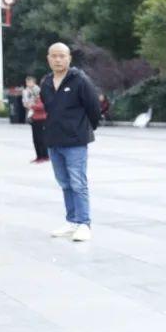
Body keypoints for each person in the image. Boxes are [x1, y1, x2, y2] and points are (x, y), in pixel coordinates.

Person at [40, 42, 101, 242]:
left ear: (69, 58)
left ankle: (84, 223)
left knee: (78, 183)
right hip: (54, 140)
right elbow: (49, 110)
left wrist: (83, 130)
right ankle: (72, 221)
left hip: (75, 142)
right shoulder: (46, 82)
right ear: (48, 58)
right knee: (64, 183)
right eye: (54, 56)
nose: (58, 59)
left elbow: (94, 108)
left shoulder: (80, 80)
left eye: (62, 56)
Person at [21, 76, 47, 163]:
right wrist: (27, 104)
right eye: (27, 82)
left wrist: (32, 106)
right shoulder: (26, 91)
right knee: (35, 139)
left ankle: (44, 156)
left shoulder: (40, 92)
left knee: (41, 138)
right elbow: (26, 101)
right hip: (34, 117)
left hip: (41, 118)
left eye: (30, 82)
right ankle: (39, 156)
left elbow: (43, 106)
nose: (28, 84)